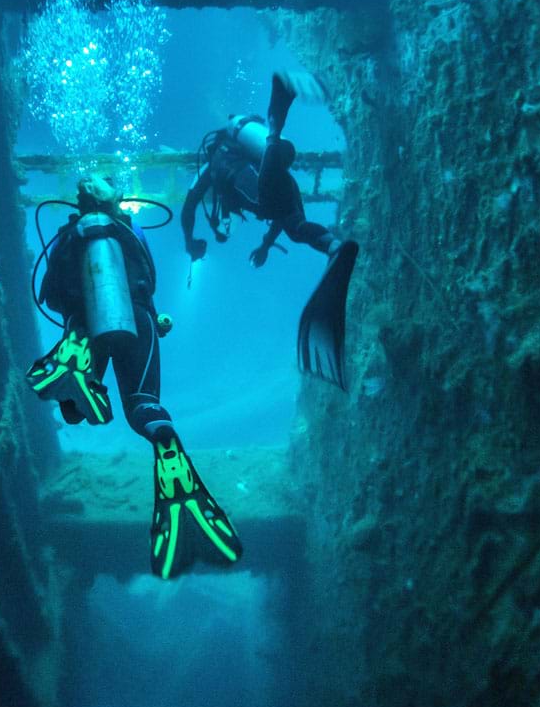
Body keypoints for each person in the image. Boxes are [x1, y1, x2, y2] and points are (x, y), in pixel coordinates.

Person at [27, 177, 242, 580]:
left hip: (82, 324)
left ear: (79, 200)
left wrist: (80, 306)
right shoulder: (131, 228)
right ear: (117, 199)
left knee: (73, 411)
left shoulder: (67, 234)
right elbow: (150, 278)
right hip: (138, 319)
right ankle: (167, 448)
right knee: (143, 405)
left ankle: (74, 373)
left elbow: (47, 295)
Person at [181, 71, 360, 389]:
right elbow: (277, 216)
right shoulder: (234, 158)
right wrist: (265, 245)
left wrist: (190, 241)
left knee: (265, 202)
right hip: (281, 179)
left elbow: (188, 206)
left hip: (269, 179)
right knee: (295, 227)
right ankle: (333, 246)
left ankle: (277, 112)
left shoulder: (215, 166)